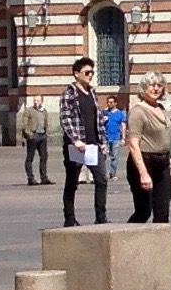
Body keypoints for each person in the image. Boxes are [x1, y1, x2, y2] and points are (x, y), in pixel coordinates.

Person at [58, 58, 109, 227]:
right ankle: (69, 218)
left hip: (93, 145)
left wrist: (102, 141)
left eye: (92, 72)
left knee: (101, 179)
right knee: (72, 181)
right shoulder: (69, 93)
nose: (90, 76)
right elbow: (66, 119)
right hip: (76, 146)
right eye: (87, 72)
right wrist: (76, 140)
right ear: (76, 74)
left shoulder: (92, 93)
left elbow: (98, 118)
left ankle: (100, 216)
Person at [123, 76, 171, 225]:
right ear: (143, 88)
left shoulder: (161, 108)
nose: (156, 89)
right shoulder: (138, 111)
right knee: (144, 210)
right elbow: (133, 144)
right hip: (144, 161)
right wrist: (143, 174)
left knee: (162, 212)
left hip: (163, 162)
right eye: (151, 85)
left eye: (159, 85)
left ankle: (158, 247)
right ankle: (125, 241)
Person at [17, 95, 50, 185]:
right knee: (30, 158)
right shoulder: (29, 111)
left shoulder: (44, 111)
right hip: (33, 136)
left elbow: (46, 122)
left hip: (42, 136)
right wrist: (29, 135)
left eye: (38, 100)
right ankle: (30, 178)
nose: (36, 102)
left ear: (41, 101)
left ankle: (44, 178)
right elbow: (24, 123)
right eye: (35, 100)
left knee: (44, 157)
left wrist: (46, 133)